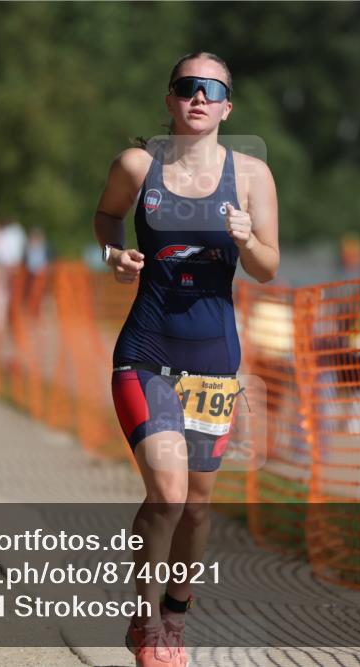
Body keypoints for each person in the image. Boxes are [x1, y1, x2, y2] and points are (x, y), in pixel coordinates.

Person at [92, 52, 279, 667]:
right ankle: (147, 627)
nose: (198, 97)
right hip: (146, 351)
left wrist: (248, 238)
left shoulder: (251, 175)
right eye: (185, 87)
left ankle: (175, 611)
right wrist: (113, 254)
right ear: (169, 99)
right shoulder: (136, 165)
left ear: (228, 106)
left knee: (196, 507)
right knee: (168, 494)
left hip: (214, 361)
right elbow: (106, 218)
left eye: (211, 89)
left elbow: (269, 268)